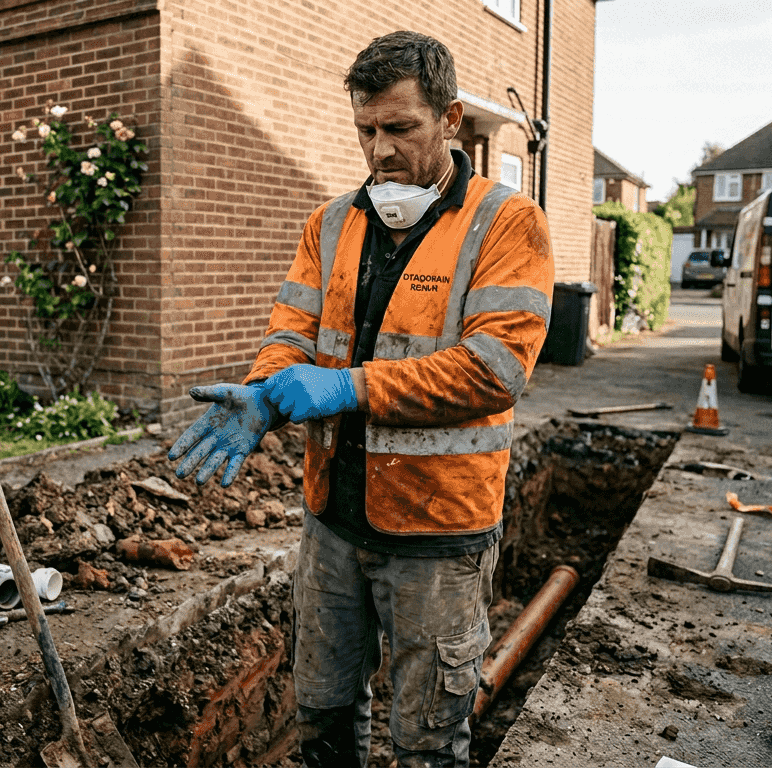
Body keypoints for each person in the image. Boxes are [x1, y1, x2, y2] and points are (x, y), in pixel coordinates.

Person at [168, 30, 554, 768]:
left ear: (449, 118)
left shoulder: (506, 223)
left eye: (400, 128)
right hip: (333, 524)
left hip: (439, 537)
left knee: (426, 743)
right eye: (366, 131)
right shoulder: (333, 222)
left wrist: (348, 386)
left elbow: (494, 369)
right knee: (323, 716)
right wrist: (266, 394)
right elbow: (291, 335)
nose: (379, 151)